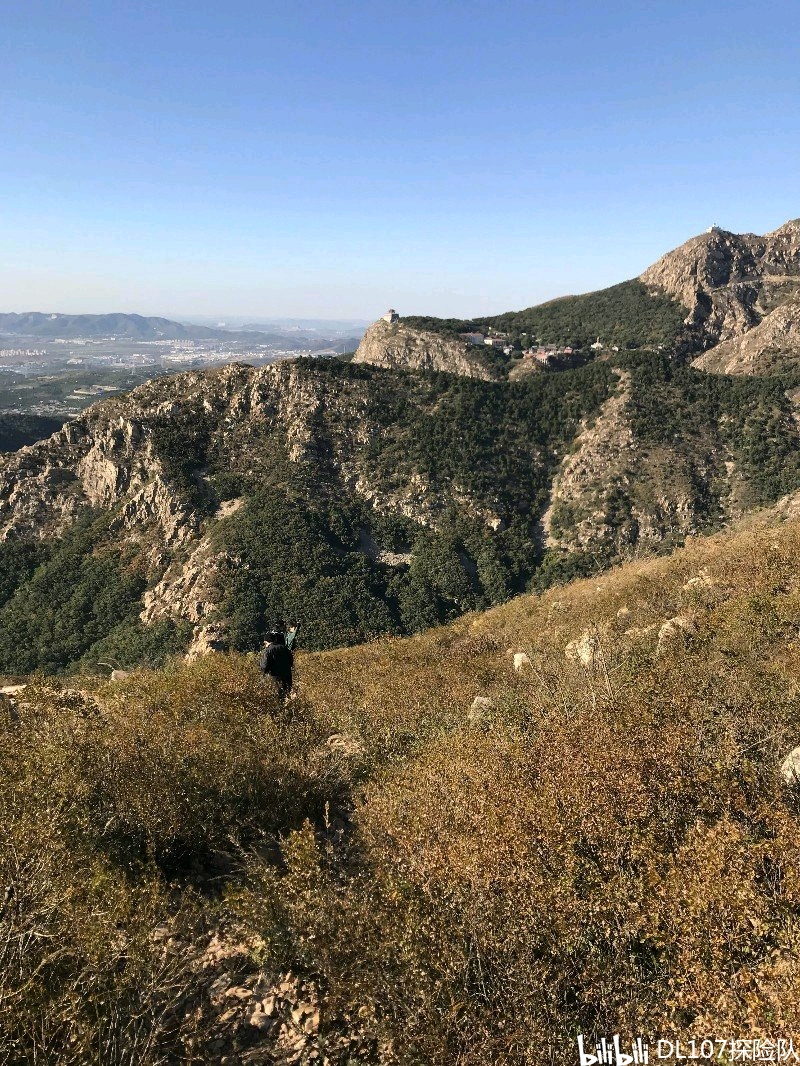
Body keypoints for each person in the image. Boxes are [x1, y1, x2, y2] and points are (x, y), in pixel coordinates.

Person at [259, 624, 294, 700]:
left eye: (265, 643)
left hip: (275, 679)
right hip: (288, 678)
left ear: (267, 641)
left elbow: (264, 667)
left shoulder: (268, 650)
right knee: (286, 698)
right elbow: (291, 663)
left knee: (277, 700)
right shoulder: (286, 649)